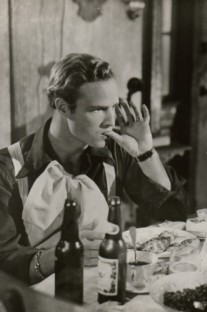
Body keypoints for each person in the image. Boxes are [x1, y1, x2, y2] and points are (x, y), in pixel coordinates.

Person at [0, 53, 188, 285]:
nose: (111, 120)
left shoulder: (113, 148)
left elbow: (174, 214)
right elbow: (4, 265)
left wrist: (145, 153)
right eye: (97, 110)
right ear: (62, 107)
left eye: (114, 107)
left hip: (102, 285)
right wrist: (63, 253)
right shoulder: (8, 168)